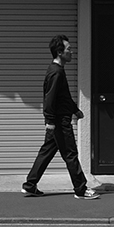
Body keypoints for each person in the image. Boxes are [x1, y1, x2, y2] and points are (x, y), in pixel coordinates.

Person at [22, 35, 100, 200]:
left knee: (47, 151)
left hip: (58, 119)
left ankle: (30, 185)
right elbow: (49, 98)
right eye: (68, 49)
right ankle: (81, 189)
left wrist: (75, 110)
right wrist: (50, 121)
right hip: (59, 121)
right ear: (59, 52)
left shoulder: (57, 70)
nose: (72, 52)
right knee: (70, 154)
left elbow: (63, 96)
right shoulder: (56, 73)